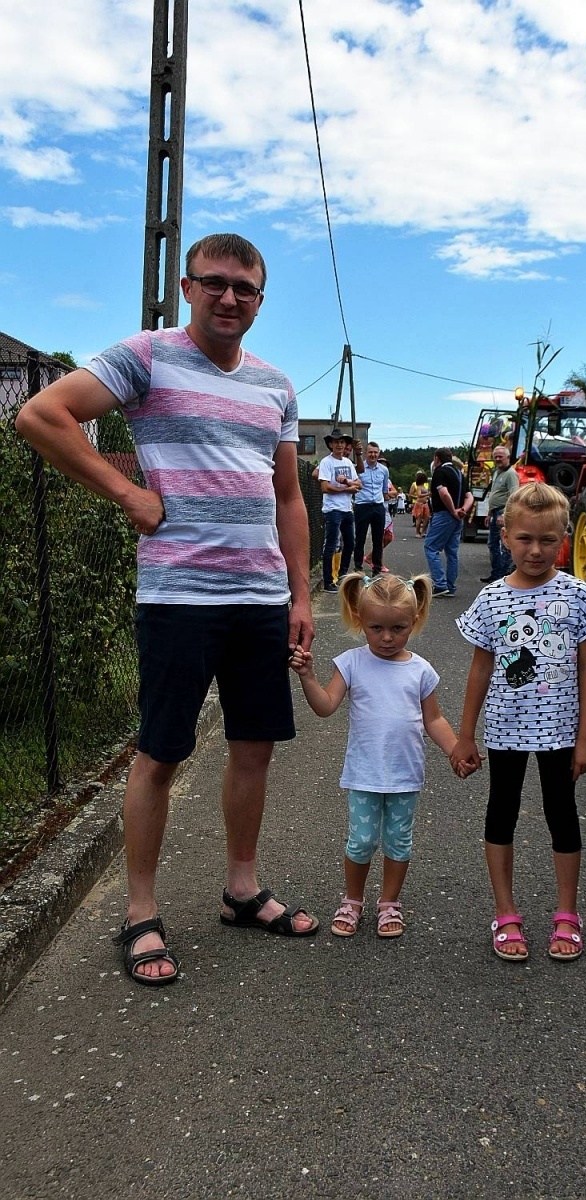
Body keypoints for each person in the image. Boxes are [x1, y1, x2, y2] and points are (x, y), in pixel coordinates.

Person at [15, 232, 319, 988]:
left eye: (243, 288)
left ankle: (241, 890)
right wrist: (125, 492)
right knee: (161, 754)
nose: (228, 298)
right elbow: (40, 415)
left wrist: (301, 593)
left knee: (255, 746)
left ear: (259, 300)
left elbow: (287, 496)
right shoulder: (147, 356)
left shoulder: (277, 386)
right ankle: (140, 913)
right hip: (179, 595)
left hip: (257, 598)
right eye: (213, 283)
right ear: (187, 288)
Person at [450, 482, 586, 963]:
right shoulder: (491, 601)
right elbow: (480, 669)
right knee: (501, 813)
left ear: (565, 536)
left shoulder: (578, 595)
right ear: (505, 537)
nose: (536, 550)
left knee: (561, 816)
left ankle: (567, 912)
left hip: (561, 733)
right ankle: (505, 911)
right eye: (524, 539)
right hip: (505, 730)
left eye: (547, 540)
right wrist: (465, 734)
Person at [289, 572, 474, 939]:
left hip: (405, 775)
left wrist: (456, 750)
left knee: (398, 840)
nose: (387, 638)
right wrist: (308, 676)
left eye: (398, 628)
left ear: (414, 620)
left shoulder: (420, 670)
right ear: (359, 621)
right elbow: (326, 706)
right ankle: (353, 899)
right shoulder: (352, 663)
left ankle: (390, 902)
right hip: (364, 773)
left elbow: (433, 718)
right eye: (376, 628)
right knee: (360, 840)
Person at [424, 448, 474, 597]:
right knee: (452, 552)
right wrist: (462, 510)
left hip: (444, 515)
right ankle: (450, 586)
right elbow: (469, 496)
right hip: (458, 517)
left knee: (431, 547)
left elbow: (443, 493)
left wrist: (452, 510)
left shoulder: (439, 472)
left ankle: (440, 584)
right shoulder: (459, 474)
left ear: (437, 459)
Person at [318, 428, 362, 592]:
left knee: (350, 543)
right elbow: (325, 486)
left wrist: (347, 482)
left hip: (346, 509)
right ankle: (328, 581)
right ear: (330, 444)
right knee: (330, 545)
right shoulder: (326, 462)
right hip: (332, 509)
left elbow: (359, 484)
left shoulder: (348, 463)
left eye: (342, 442)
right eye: (336, 442)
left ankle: (342, 575)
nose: (339, 445)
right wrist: (347, 489)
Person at [480, 443, 520, 583]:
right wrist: (489, 513)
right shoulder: (497, 472)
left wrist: (505, 515)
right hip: (495, 512)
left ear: (508, 457)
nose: (497, 459)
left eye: (500, 457)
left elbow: (514, 496)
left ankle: (505, 575)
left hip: (503, 511)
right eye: (495, 456)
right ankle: (496, 573)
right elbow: (495, 493)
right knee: (492, 544)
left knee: (505, 545)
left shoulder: (511, 474)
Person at [354, 441, 392, 576]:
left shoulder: (384, 470)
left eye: (375, 452)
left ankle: (377, 568)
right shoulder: (358, 468)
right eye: (370, 452)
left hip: (378, 506)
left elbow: (384, 490)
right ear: (366, 453)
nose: (373, 455)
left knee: (378, 539)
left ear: (379, 453)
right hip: (362, 505)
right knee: (360, 538)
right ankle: (358, 567)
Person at [409, 471, 431, 537]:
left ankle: (423, 532)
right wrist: (427, 494)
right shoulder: (417, 486)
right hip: (419, 503)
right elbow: (419, 495)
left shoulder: (425, 486)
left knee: (426, 518)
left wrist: (428, 496)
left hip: (425, 503)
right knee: (419, 518)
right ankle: (417, 532)